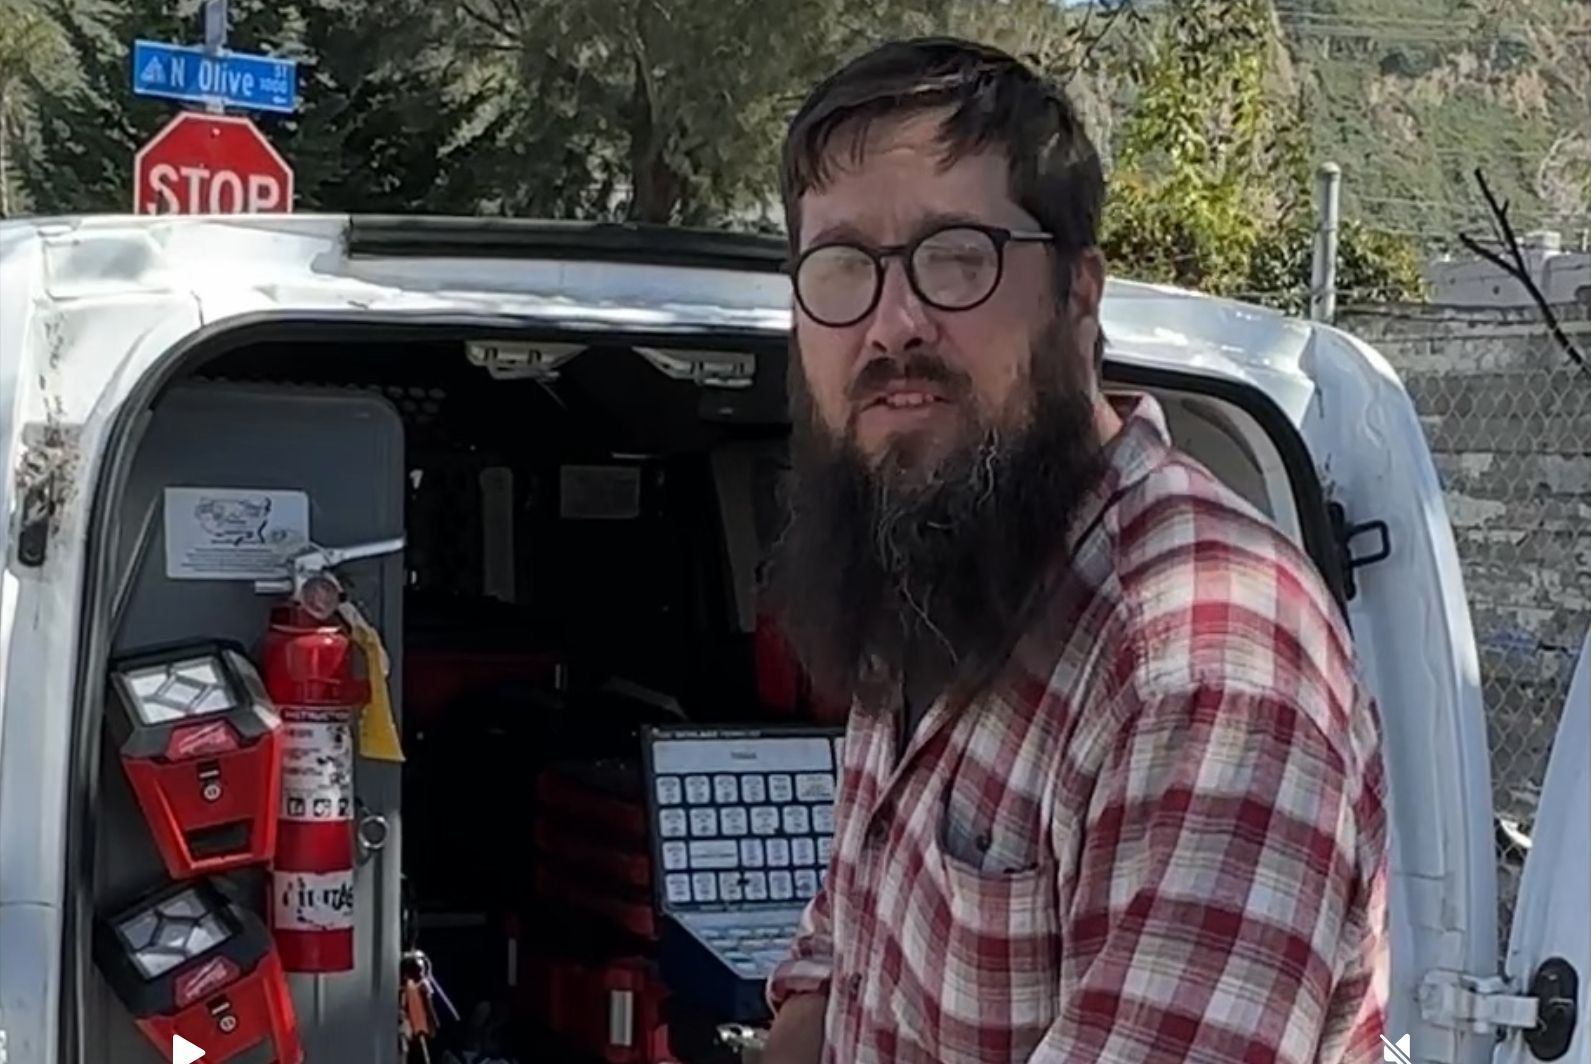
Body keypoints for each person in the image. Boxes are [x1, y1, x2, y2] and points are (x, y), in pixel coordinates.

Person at [759, 37, 1389, 1064]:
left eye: (955, 256)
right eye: (841, 268)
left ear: (1080, 292)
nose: (892, 323)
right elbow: (839, 965)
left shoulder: (1209, 656)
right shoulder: (933, 551)